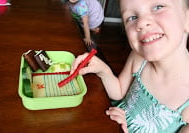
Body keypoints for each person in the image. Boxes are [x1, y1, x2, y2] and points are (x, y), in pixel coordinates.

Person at [70, 0, 189, 132]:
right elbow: (119, 91)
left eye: (158, 7)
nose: (141, 23)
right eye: (132, 17)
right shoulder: (138, 57)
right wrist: (103, 70)